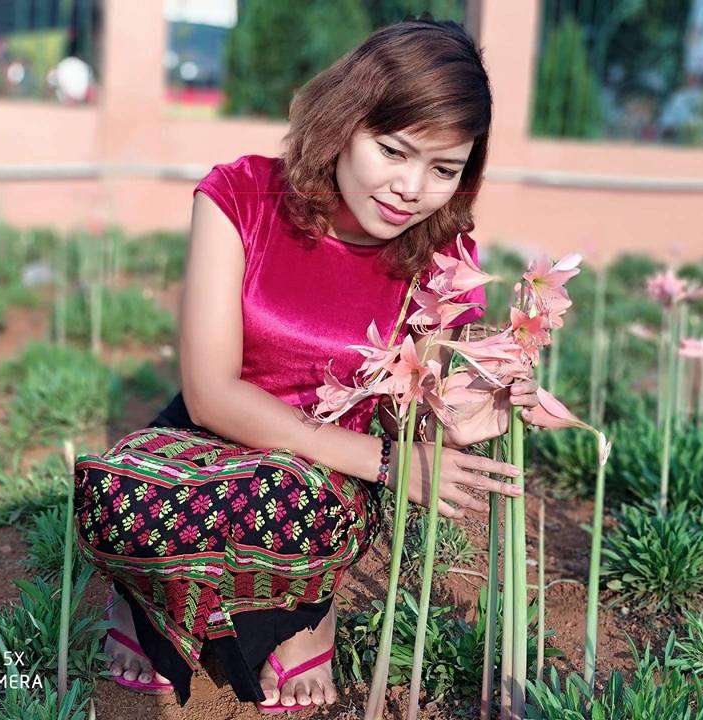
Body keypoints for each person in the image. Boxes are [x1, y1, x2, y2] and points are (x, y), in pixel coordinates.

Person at [73, 15, 539, 714]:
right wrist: (390, 464)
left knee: (297, 506)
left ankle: (302, 609)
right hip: (215, 435)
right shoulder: (241, 196)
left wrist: (491, 392)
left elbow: (435, 397)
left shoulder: (443, 256)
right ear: (345, 122)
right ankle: (145, 600)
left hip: (322, 479)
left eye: (444, 169)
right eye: (394, 150)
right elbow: (208, 394)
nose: (412, 188)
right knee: (118, 502)